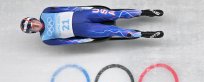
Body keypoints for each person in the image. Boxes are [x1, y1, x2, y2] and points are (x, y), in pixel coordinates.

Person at [20, 6, 164, 45]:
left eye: (33, 22)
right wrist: (86, 40)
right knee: (113, 30)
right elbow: (67, 42)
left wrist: (85, 8)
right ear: (33, 31)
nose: (35, 25)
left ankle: (144, 12)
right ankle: (143, 34)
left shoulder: (46, 12)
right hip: (86, 30)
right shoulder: (46, 39)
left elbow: (66, 8)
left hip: (85, 15)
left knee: (114, 14)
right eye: (32, 27)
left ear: (34, 18)